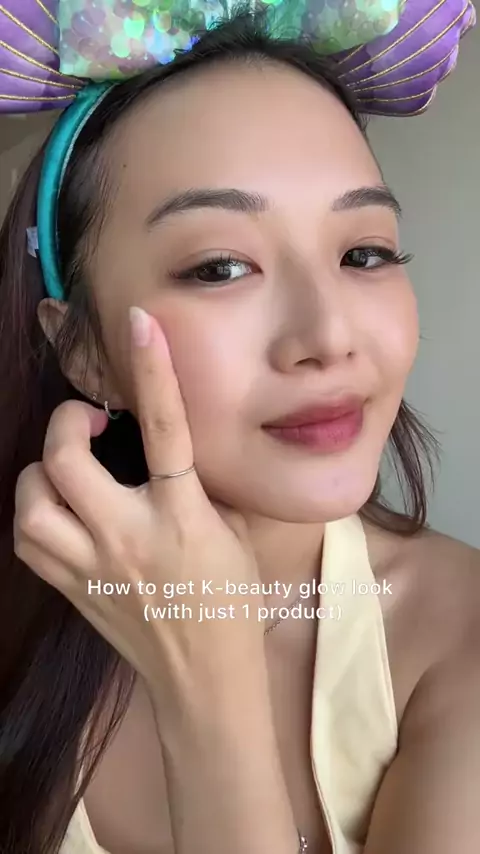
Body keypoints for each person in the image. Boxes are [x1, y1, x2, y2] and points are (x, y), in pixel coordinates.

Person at [1, 7, 480, 854]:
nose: (328, 336)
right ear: (83, 350)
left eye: (364, 254)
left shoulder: (460, 635)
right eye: (221, 267)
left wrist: (211, 697)